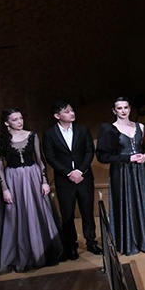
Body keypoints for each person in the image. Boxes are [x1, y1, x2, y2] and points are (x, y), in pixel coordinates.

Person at [0, 108, 63, 272]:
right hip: (13, 180)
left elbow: (40, 160)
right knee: (17, 216)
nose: (20, 122)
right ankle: (24, 254)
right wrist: (5, 189)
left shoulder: (32, 136)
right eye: (15, 119)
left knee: (37, 212)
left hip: (33, 177)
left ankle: (42, 251)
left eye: (21, 118)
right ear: (6, 123)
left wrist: (44, 181)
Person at [97, 97, 145, 257]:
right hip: (122, 172)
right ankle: (129, 241)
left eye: (126, 107)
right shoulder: (109, 129)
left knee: (143, 201)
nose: (123, 111)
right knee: (126, 203)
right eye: (119, 108)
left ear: (130, 108)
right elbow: (102, 156)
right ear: (114, 111)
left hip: (140, 171)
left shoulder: (140, 126)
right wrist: (127, 158)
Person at [42, 100, 99, 261]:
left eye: (72, 110)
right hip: (65, 181)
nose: (72, 113)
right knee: (67, 215)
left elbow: (89, 150)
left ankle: (91, 242)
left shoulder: (82, 129)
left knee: (87, 211)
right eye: (67, 112)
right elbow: (50, 158)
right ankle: (71, 246)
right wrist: (69, 173)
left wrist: (80, 170)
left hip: (84, 177)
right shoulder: (49, 134)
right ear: (57, 116)